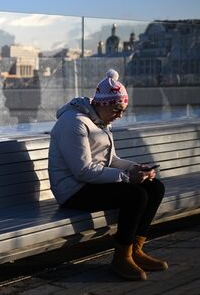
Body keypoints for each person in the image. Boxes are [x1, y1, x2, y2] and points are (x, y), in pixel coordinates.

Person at [48, 69, 168, 281]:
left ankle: (135, 251)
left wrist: (135, 168)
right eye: (118, 109)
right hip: (73, 190)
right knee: (136, 195)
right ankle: (121, 257)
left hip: (92, 183)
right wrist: (125, 178)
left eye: (123, 110)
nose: (120, 115)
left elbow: (111, 160)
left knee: (155, 187)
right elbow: (83, 170)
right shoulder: (73, 123)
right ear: (103, 103)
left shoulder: (100, 121)